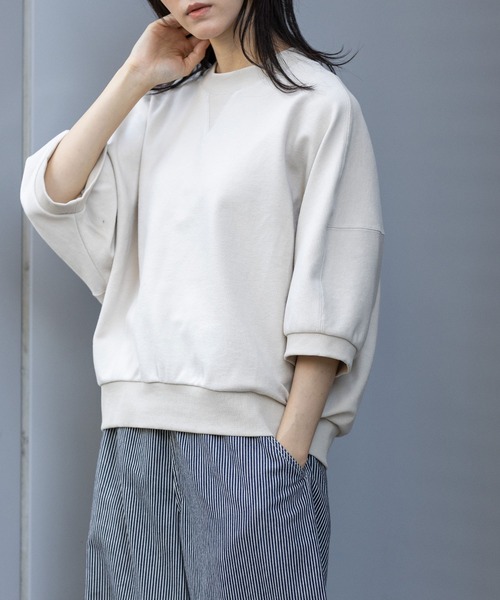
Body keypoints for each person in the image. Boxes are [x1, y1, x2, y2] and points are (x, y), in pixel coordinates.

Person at [20, 0, 384, 598]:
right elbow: (52, 195)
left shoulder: (319, 106)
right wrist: (134, 76)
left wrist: (289, 452)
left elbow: (334, 294)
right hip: (134, 440)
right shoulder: (155, 106)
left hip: (253, 448)